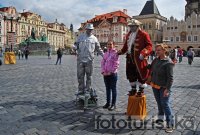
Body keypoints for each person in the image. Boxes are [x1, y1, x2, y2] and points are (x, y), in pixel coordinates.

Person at [117, 18, 152, 96]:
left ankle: (141, 90)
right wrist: (120, 52)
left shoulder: (144, 34)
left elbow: (149, 46)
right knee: (131, 73)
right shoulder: (129, 34)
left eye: (133, 26)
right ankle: (133, 89)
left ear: (137, 26)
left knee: (140, 73)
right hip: (129, 58)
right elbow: (126, 46)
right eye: (130, 26)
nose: (131, 28)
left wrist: (143, 53)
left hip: (139, 59)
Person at [150, 44, 174, 133]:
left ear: (164, 51)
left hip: (164, 87)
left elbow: (170, 78)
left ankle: (170, 124)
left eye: (159, 50)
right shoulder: (156, 60)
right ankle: (160, 119)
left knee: (165, 104)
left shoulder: (169, 62)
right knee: (159, 104)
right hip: (155, 86)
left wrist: (167, 89)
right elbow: (150, 68)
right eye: (156, 50)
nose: (157, 52)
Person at [74, 23, 104, 94]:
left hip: (90, 61)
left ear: (92, 30)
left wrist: (105, 56)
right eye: (88, 29)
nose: (89, 31)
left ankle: (88, 89)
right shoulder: (81, 37)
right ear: (86, 29)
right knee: (80, 76)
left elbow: (99, 49)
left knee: (89, 76)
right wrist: (74, 48)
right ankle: (81, 90)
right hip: (80, 60)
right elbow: (75, 45)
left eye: (91, 29)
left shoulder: (94, 38)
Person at [101, 41, 119, 111]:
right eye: (108, 44)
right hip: (105, 74)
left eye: (110, 44)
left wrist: (110, 72)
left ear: (113, 45)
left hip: (112, 74)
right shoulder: (105, 53)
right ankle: (108, 103)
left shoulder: (115, 53)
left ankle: (113, 104)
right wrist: (103, 71)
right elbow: (102, 63)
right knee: (107, 89)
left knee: (113, 89)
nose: (109, 45)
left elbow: (116, 64)